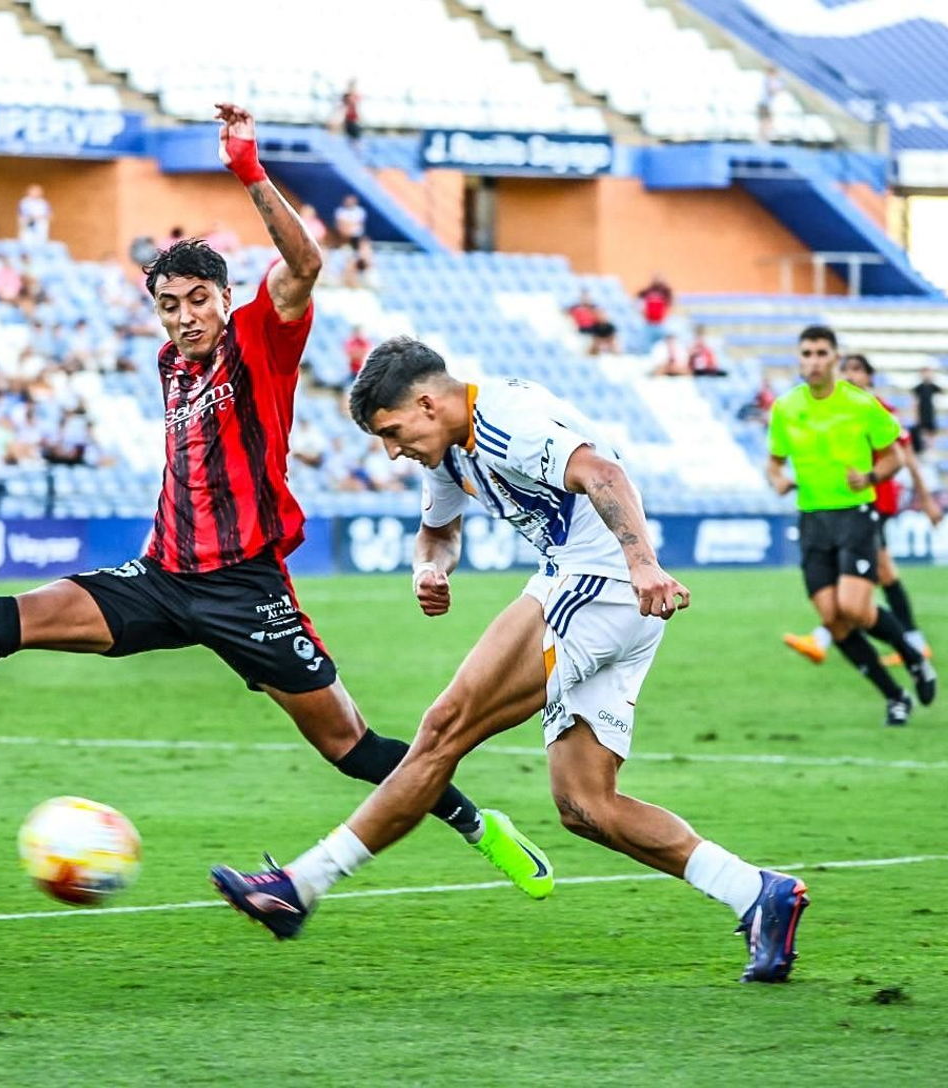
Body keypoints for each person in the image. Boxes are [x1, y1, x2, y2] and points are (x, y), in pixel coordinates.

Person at [0, 103, 550, 896]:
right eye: (169, 306)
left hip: (247, 589)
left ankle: (485, 829)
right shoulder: (169, 367)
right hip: (164, 578)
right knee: (12, 618)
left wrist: (248, 169)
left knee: (349, 746)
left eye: (196, 302)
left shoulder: (258, 339)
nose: (184, 319)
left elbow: (304, 267)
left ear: (222, 297)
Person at [210, 338, 809, 983]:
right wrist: (428, 569)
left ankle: (300, 886)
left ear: (427, 403)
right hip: (597, 592)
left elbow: (604, 474)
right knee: (584, 805)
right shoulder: (447, 446)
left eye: (391, 432)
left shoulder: (506, 421)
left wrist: (642, 565)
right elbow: (439, 530)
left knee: (443, 728)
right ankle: (756, 893)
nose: (391, 450)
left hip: (598, 586)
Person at [765, 326, 938, 727]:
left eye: (821, 353)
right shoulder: (786, 408)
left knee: (854, 608)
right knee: (832, 618)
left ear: (835, 358)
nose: (813, 360)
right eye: (806, 353)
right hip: (812, 520)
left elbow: (896, 457)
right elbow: (773, 462)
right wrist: (778, 481)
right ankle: (895, 696)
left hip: (855, 516)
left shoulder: (861, 404)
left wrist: (871, 477)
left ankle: (913, 656)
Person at [910, 366, 941, 456]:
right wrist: (915, 416)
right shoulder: (918, 388)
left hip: (930, 414)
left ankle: (931, 451)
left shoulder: (933, 387)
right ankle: (922, 449)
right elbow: (915, 403)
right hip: (922, 414)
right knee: (921, 432)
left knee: (931, 433)